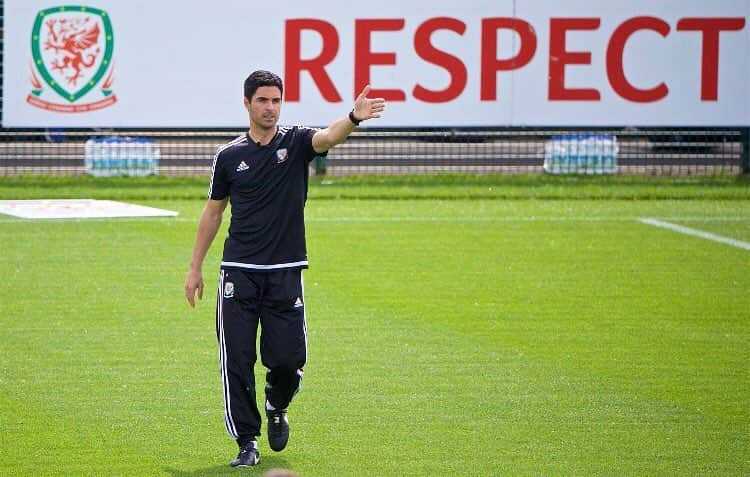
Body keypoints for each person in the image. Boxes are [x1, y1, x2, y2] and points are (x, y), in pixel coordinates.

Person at [184, 70, 385, 467]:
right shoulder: (229, 157)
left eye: (276, 100)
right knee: (237, 359)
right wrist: (194, 268)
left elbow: (328, 138)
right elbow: (212, 213)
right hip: (238, 273)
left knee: (289, 359)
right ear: (247, 103)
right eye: (263, 100)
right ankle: (247, 442)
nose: (270, 108)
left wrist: (354, 118)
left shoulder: (294, 143)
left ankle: (277, 403)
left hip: (284, 272)